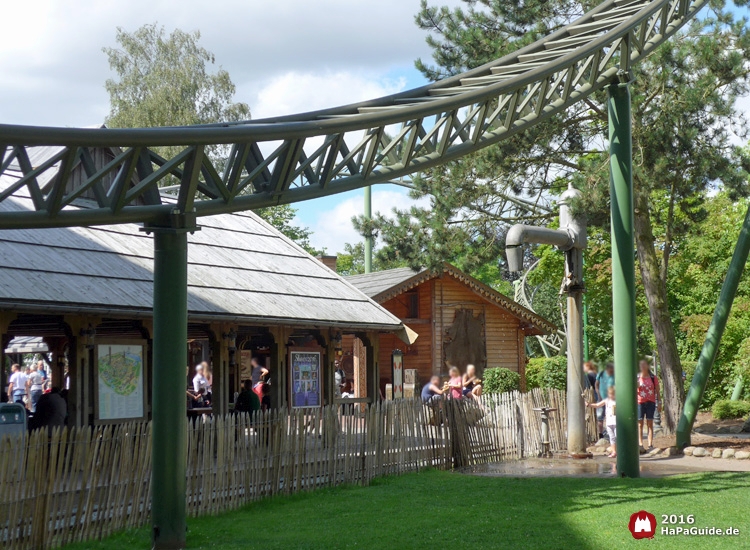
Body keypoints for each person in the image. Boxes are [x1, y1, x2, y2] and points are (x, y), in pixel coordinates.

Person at [586, 386, 617, 458]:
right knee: (611, 437)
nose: (610, 395)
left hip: (616, 421)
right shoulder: (607, 400)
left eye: (612, 394)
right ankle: (614, 451)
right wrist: (589, 404)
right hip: (609, 422)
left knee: (617, 437)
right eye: (609, 394)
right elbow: (597, 405)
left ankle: (619, 451)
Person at [637, 359, 661, 449]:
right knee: (640, 423)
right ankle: (640, 444)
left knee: (650, 423)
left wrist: (659, 402)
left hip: (651, 402)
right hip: (640, 402)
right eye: (641, 365)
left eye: (644, 365)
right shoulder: (637, 377)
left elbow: (657, 391)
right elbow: (633, 390)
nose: (642, 367)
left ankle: (650, 444)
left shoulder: (652, 377)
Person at [595, 362, 615, 438]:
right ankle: (600, 434)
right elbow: (596, 384)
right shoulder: (601, 373)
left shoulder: (615, 375)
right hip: (602, 398)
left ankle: (614, 433)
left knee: (614, 415)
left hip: (612, 399)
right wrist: (598, 394)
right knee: (600, 416)